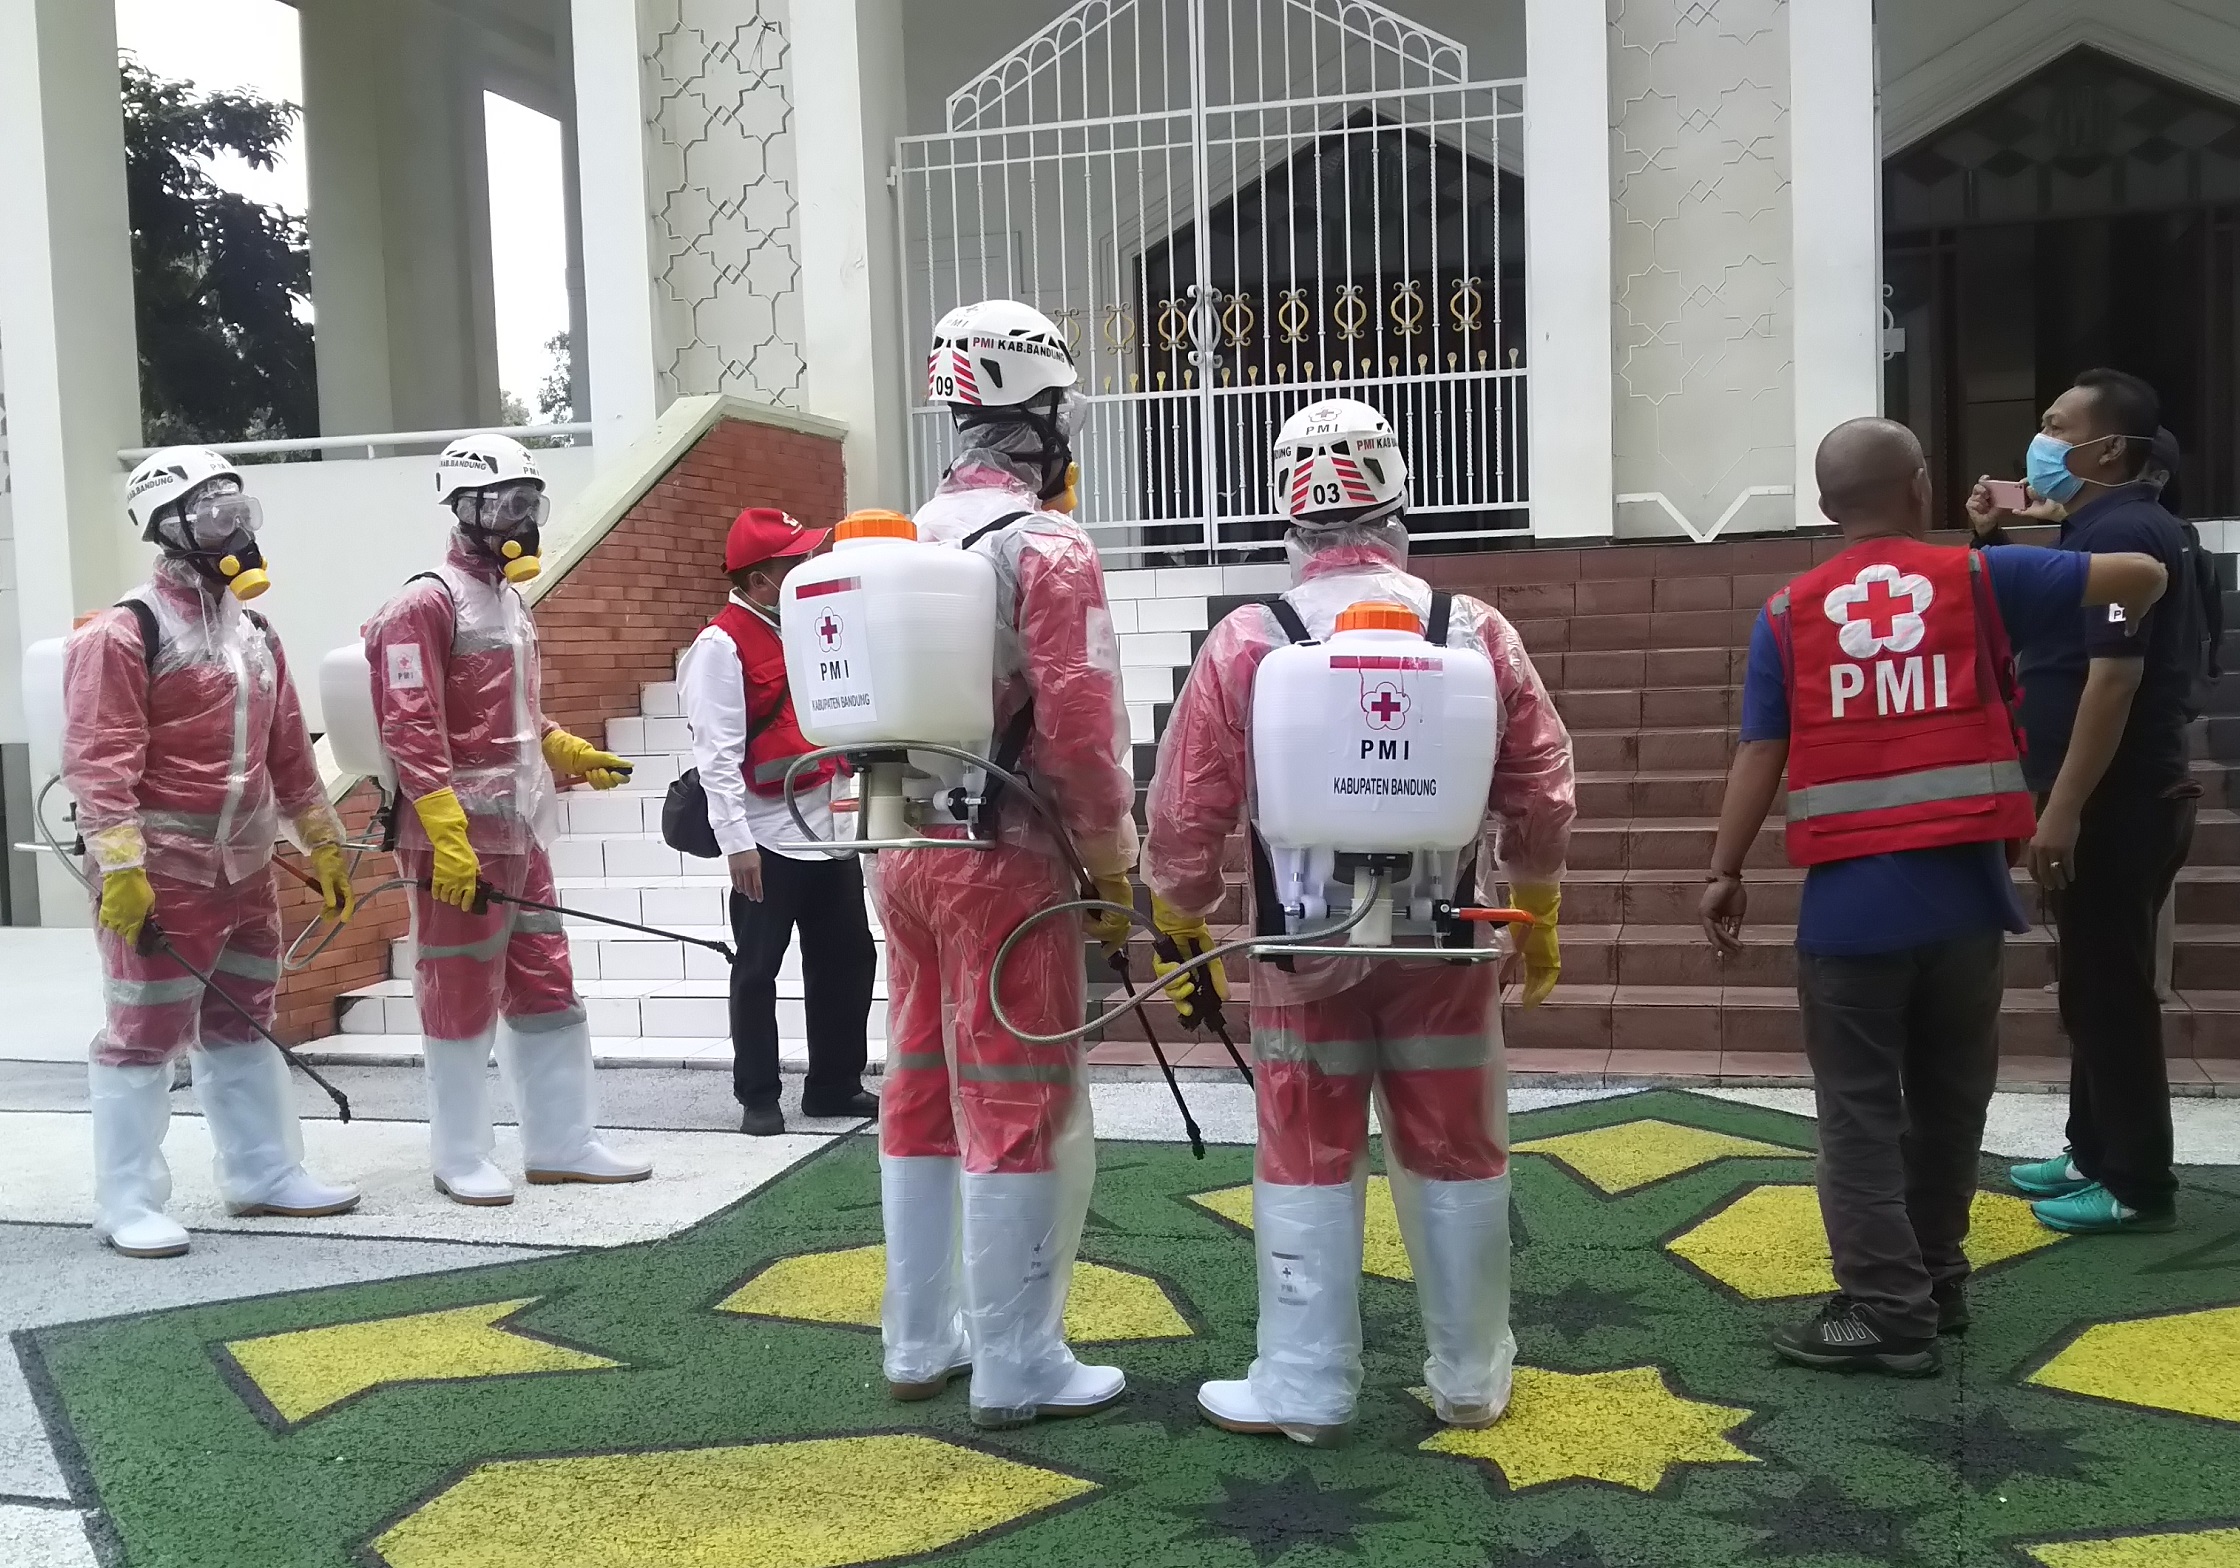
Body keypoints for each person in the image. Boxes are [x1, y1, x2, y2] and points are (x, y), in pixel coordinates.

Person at [1143, 397, 1574, 1446]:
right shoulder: (1469, 628)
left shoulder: (1250, 637)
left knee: (1305, 1147)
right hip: (1446, 939)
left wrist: (1178, 911)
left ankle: (1305, 1386)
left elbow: (1186, 804)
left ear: (1287, 522)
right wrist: (1538, 902)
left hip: (1299, 945)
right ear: (1397, 506)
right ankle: (1470, 1378)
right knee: (1456, 1147)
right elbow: (1542, 786)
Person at [1701, 418, 2167, 1375]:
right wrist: (2033, 525)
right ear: (1920, 486)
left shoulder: (1788, 614)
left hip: (1849, 918)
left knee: (1860, 1118)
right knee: (1951, 1105)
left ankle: (1884, 1311)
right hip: (1964, 906)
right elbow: (2145, 578)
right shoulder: (1980, 580)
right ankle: (1936, 1281)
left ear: (1829, 508)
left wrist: (1724, 868)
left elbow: (1761, 750)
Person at [877, 299, 1140, 1429]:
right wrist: (1112, 860)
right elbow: (1078, 727)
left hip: (894, 840)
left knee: (919, 1081)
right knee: (1016, 1095)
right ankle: (1019, 1361)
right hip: (1008, 855)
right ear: (1036, 413)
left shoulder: (889, 538)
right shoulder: (1045, 545)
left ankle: (916, 1337)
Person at [66, 446, 361, 1258]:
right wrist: (122, 870)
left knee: (244, 1019)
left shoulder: (255, 631)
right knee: (142, 1034)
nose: (233, 530)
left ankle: (263, 1173)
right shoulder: (128, 631)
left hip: (245, 869)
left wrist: (326, 845)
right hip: (162, 875)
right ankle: (127, 1200)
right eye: (210, 515)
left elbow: (289, 753)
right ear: (166, 527)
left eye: (239, 511)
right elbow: (101, 757)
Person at [361, 433, 653, 1206]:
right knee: (458, 989)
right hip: (455, 844)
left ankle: (563, 1143)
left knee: (547, 983)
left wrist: (564, 749)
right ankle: (459, 1154)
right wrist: (446, 835)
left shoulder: (510, 601)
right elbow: (411, 724)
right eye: (507, 504)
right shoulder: (425, 602)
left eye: (530, 502)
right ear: (463, 507)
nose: (523, 519)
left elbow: (515, 717)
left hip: (519, 836)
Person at [1969, 371, 2201, 1235]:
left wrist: (2062, 809)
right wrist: (1993, 534)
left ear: (2105, 448)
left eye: (2056, 427)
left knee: (2111, 990)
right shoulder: (2099, 528)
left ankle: (2137, 1181)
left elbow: (2113, 682)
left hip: (2116, 800)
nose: (2042, 442)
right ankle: (2090, 1148)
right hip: (2104, 795)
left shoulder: (2128, 534)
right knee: (2092, 984)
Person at [678, 505, 879, 1135]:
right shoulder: (719, 646)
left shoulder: (808, 626)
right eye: (794, 561)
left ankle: (834, 1084)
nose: (806, 566)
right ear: (760, 575)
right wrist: (737, 845)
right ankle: (759, 1096)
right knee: (758, 969)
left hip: (828, 830)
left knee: (848, 959)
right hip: (766, 836)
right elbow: (716, 755)